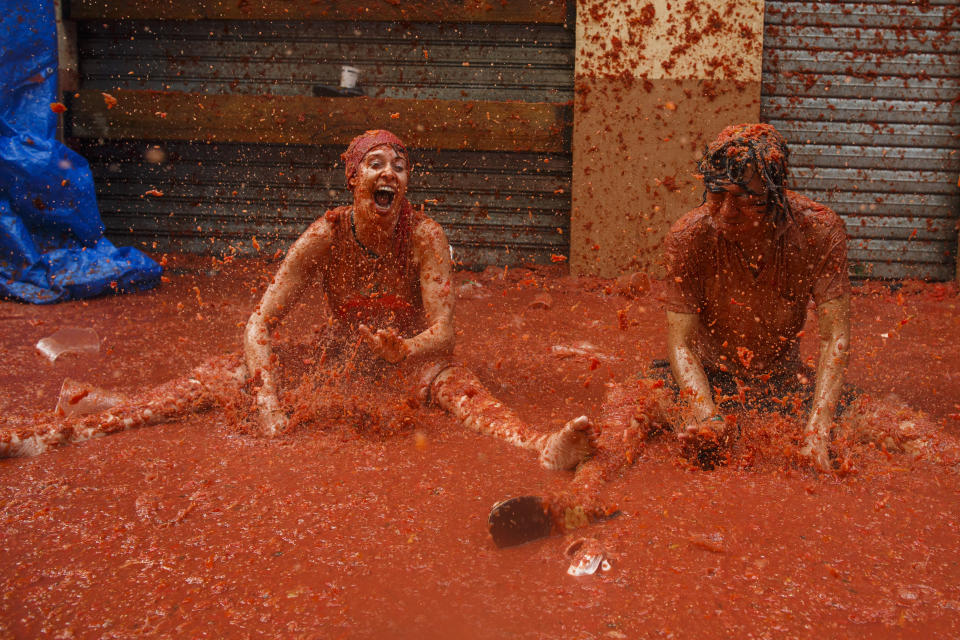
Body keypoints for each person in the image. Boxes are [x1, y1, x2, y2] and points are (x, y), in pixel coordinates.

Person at [1, 130, 595, 470]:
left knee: (457, 386)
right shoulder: (322, 236)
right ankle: (63, 431)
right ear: (352, 179)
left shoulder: (425, 236)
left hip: (410, 361)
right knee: (221, 378)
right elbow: (259, 323)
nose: (391, 174)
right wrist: (268, 406)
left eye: (401, 166)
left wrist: (403, 347)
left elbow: (444, 333)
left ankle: (541, 446)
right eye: (376, 164)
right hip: (340, 357)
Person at [531, 123, 951, 536]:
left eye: (744, 199)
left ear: (775, 195)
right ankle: (577, 502)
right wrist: (706, 415)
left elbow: (834, 337)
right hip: (705, 383)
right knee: (628, 406)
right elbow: (681, 345)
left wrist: (818, 430)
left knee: (909, 433)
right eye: (716, 195)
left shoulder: (820, 231)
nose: (726, 212)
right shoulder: (689, 237)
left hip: (785, 385)